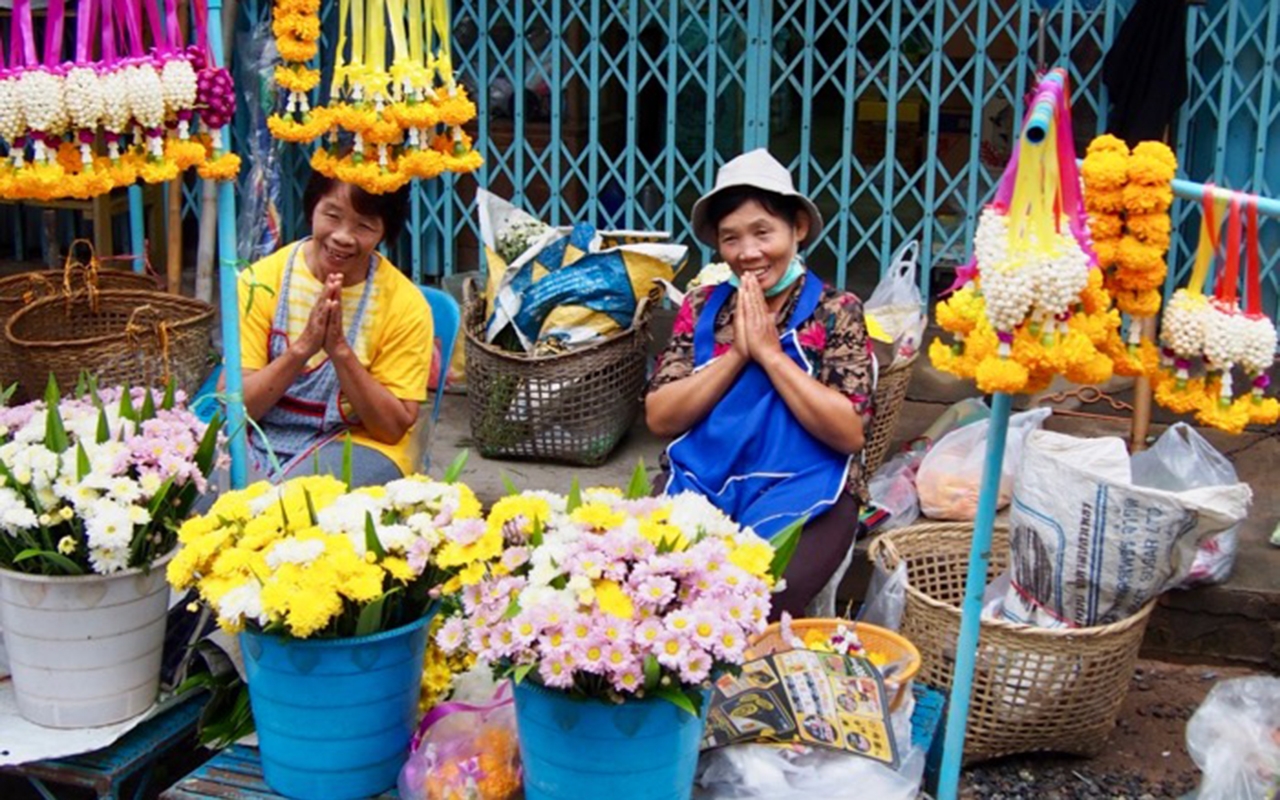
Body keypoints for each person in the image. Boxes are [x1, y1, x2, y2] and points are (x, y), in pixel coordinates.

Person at [646, 149, 874, 619]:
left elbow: (848, 432)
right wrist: (737, 356)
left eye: (763, 232)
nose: (747, 253)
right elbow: (661, 417)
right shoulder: (702, 306)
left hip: (809, 490)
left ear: (799, 229)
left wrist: (771, 355)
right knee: (653, 592)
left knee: (755, 605)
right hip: (702, 483)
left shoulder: (836, 311)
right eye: (731, 239)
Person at [234, 173, 433, 485]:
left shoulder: (406, 305)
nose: (343, 236)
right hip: (257, 431)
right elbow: (237, 405)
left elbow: (392, 428)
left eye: (364, 226)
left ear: (384, 233)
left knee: (304, 507)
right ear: (312, 208)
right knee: (197, 486)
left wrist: (339, 350)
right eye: (332, 215)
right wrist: (303, 349)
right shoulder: (260, 281)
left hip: (354, 441)